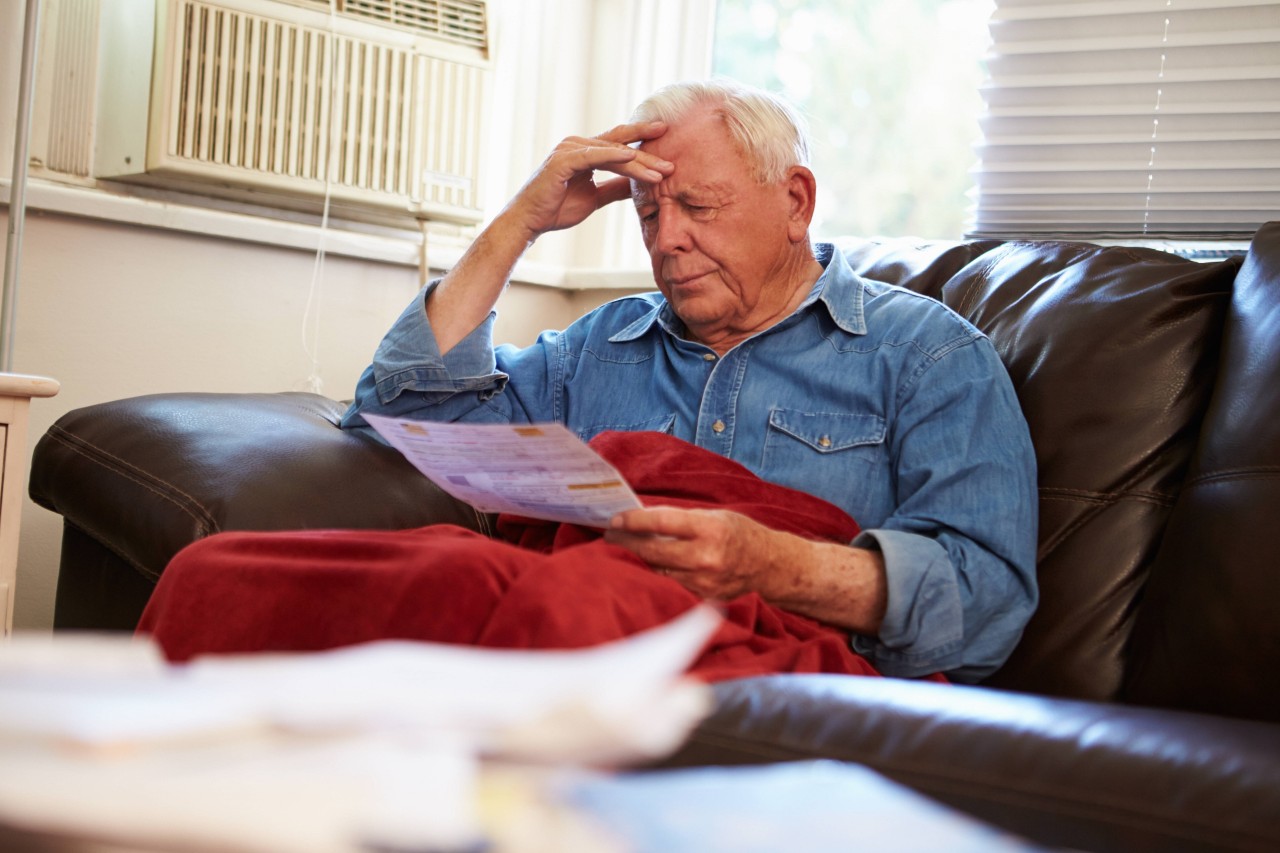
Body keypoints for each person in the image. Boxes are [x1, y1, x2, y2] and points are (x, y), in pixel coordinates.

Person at [337, 79, 1039, 683]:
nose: (666, 239)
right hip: (581, 656)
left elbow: (989, 601)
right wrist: (521, 222)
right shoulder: (601, 345)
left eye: (699, 207)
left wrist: (774, 565)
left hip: (775, 690)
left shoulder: (928, 356)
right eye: (649, 214)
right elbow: (398, 417)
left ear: (795, 201)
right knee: (274, 566)